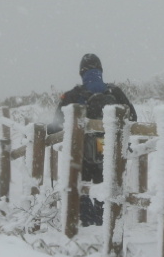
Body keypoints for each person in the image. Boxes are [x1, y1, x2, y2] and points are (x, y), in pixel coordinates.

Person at [50, 53, 137, 226]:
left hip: (81, 150)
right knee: (105, 181)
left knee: (80, 182)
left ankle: (85, 220)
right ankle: (105, 220)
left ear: (81, 73)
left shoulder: (72, 95)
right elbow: (133, 117)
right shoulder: (114, 92)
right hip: (107, 147)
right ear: (101, 70)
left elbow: (54, 127)